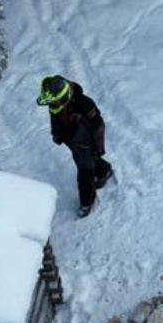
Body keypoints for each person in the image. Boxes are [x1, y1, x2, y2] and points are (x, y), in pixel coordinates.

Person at [40, 75, 114, 217]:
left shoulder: (85, 104)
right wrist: (56, 133)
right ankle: (104, 171)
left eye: (54, 102)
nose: (52, 106)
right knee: (85, 160)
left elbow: (99, 126)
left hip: (87, 143)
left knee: (85, 173)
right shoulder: (55, 104)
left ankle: (86, 203)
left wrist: (99, 148)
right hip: (73, 142)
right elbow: (54, 118)